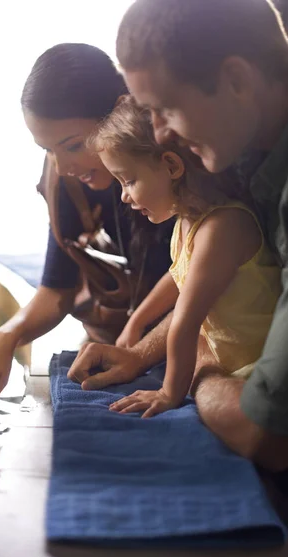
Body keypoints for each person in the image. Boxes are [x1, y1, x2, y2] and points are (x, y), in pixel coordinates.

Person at [68, 0, 288, 471]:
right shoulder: (243, 159)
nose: (161, 134)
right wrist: (139, 348)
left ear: (237, 80)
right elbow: (188, 279)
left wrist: (198, 373)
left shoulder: (231, 210)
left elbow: (265, 434)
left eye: (165, 109)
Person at [0, 43, 173, 435]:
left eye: (73, 145)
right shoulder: (67, 178)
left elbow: (203, 283)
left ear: (120, 111)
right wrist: (6, 337)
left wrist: (142, 352)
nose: (63, 167)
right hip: (112, 345)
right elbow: (57, 288)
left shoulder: (171, 170)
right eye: (48, 150)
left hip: (179, 342)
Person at [87, 95, 280, 418]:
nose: (124, 196)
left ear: (172, 166)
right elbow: (178, 277)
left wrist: (168, 393)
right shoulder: (187, 220)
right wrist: (137, 321)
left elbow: (185, 323)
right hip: (227, 361)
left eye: (129, 180)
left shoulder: (223, 227)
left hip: (254, 370)